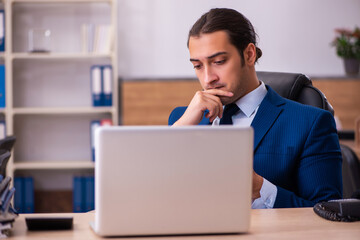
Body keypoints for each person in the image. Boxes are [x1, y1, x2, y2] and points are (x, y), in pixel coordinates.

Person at [171, 8, 342, 208]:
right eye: (198, 66)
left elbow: (328, 213)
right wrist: (179, 129)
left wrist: (260, 189)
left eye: (218, 62)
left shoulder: (310, 123)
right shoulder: (182, 120)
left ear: (249, 55)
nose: (208, 78)